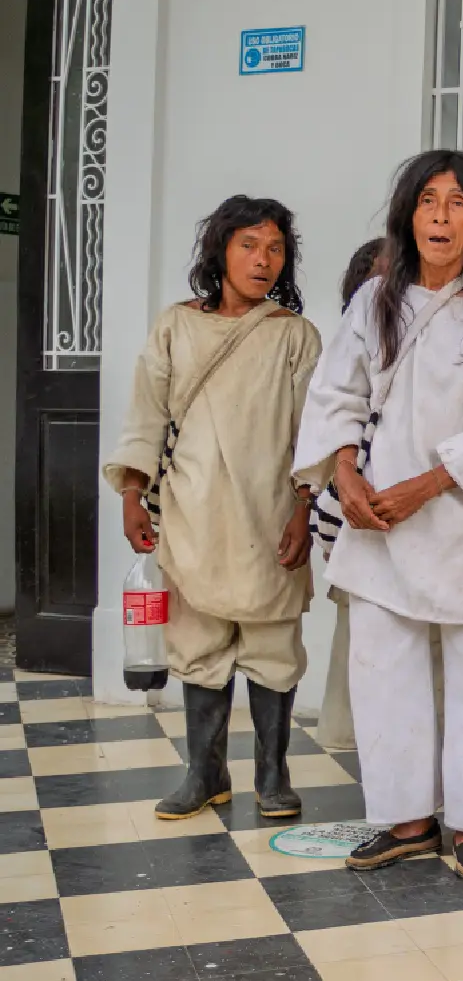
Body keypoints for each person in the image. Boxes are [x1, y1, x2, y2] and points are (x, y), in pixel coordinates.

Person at [295, 150, 463, 881]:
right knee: (384, 674)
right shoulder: (375, 297)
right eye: (428, 200)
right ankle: (406, 820)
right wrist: (345, 474)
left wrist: (428, 484)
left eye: (457, 202)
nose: (441, 215)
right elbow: (335, 395)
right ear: (408, 212)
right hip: (377, 520)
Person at [106, 196, 321, 821]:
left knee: (274, 645)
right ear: (221, 249)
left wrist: (304, 509)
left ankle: (273, 775)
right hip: (192, 513)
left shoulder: (294, 336)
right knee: (197, 642)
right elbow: (146, 412)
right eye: (250, 245)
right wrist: (130, 495)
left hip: (271, 515)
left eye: (276, 248)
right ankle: (204, 774)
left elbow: (314, 433)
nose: (264, 259)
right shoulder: (176, 326)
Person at [315, 238, 389, 753]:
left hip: (409, 507)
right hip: (352, 509)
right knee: (356, 630)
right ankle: (352, 733)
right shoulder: (343, 349)